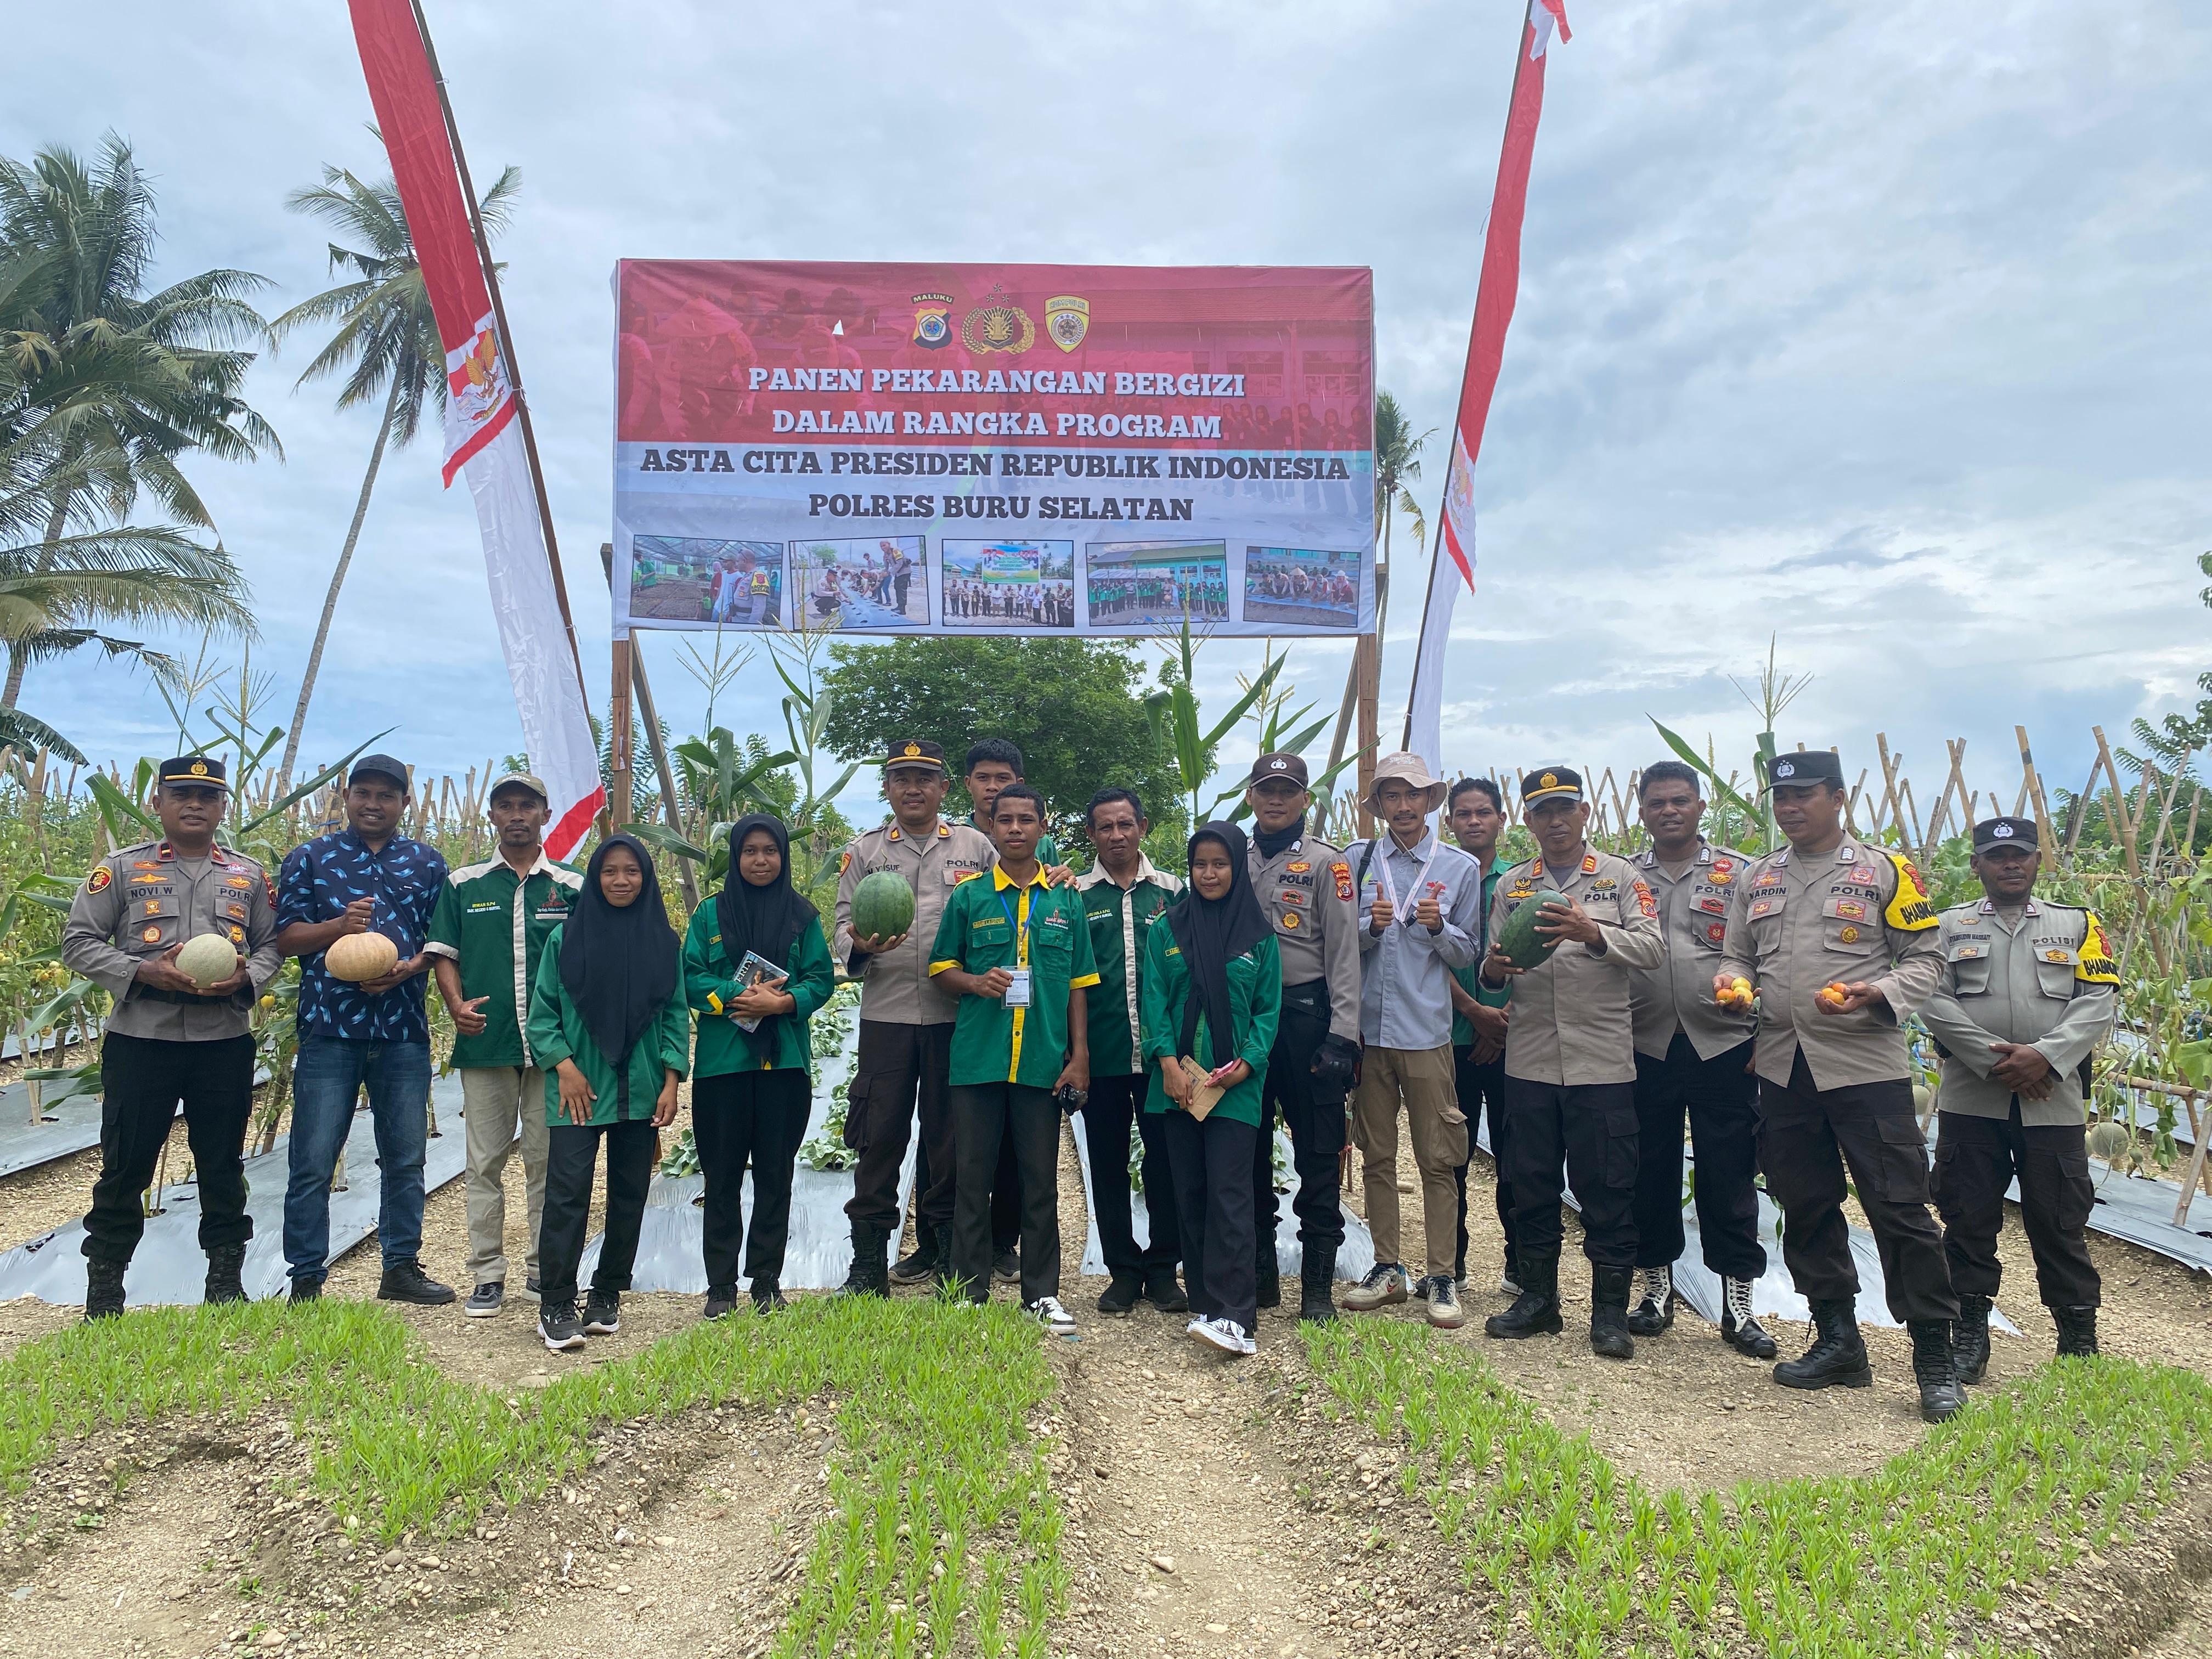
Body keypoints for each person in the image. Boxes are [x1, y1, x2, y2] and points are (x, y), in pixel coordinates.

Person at [1716, 749, 1963, 1421]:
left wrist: (1872, 992)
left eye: (1804, 795)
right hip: (1783, 1066)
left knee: (1900, 1211)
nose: (1790, 807)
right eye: (1781, 797)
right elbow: (1738, 953)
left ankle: (1934, 1361)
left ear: (1838, 797)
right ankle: (1838, 1341)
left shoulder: (1885, 871)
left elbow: (1928, 960)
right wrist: (1730, 982)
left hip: (1864, 1070)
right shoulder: (1759, 877)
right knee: (1806, 1202)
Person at [63, 757, 281, 1317]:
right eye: (181, 794)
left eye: (207, 797)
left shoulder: (248, 875)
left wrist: (245, 978)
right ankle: (105, 1290)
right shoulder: (123, 870)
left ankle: (225, 1283)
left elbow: (272, 946)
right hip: (142, 1039)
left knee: (222, 1162)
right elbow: (79, 943)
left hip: (223, 1042)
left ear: (223, 808)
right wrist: (143, 971)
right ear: (157, 803)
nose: (194, 805)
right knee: (126, 1164)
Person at [1920, 817, 2117, 1374]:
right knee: (1968, 1221)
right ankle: (1970, 1338)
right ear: (1977, 864)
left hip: (2051, 1098)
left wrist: (2046, 1057)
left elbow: (2097, 1000)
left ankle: (2078, 1343)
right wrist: (1998, 1060)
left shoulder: (2078, 925)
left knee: (2059, 1221)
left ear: (2037, 862)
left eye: (2021, 855)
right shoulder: (1946, 927)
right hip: (1972, 1099)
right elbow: (1933, 999)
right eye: (1998, 855)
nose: (2011, 864)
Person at [1479, 767, 1663, 1359]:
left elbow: (1654, 951)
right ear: (1528, 822)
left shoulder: (1620, 878)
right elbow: (1490, 965)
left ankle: (1609, 1313)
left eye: (1564, 808)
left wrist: (1592, 932)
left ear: (1584, 813)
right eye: (1542, 812)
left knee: (1608, 1185)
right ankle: (1539, 1300)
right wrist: (1494, 972)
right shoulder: (1512, 885)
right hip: (1530, 1059)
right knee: (1529, 1182)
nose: (1554, 821)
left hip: (1602, 1061)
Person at [276, 754, 454, 1306]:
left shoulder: (427, 864)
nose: (373, 804)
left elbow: (442, 941)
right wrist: (338, 929)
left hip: (401, 1028)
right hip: (329, 1029)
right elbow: (285, 939)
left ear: (405, 803)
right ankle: (305, 1277)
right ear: (345, 797)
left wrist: (410, 967)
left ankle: (400, 1268)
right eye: (364, 793)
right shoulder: (309, 859)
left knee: (405, 1156)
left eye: (386, 795)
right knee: (313, 1157)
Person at [926, 783, 1097, 1332]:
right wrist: (974, 982)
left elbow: (1078, 983)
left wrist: (1080, 1056)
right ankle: (969, 1290)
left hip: (1042, 1063)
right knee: (972, 1178)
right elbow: (941, 968)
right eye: (1007, 820)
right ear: (991, 829)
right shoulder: (971, 896)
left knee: (1037, 1181)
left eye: (1028, 819)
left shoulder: (1065, 900)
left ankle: (1041, 1295)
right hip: (979, 1059)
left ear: (1044, 828)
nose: (1017, 829)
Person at [830, 741, 995, 1295]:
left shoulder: (978, 847)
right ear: (888, 788)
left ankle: (949, 1252)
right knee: (878, 1137)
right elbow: (841, 927)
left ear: (944, 787)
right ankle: (868, 1261)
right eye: (902, 778)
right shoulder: (866, 852)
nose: (913, 787)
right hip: (888, 1015)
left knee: (951, 1139)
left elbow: (1002, 913)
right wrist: (860, 946)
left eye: (925, 778)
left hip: (958, 1018)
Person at [1623, 761, 1775, 1358]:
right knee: (1648, 1169)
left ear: (1700, 805)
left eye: (1680, 801)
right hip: (1646, 1042)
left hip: (1726, 1044)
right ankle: (1655, 1291)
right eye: (1658, 802)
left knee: (1730, 1172)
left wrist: (1768, 1034)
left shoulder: (1740, 874)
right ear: (1642, 811)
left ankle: (1738, 1306)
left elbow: (1771, 954)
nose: (1669, 811)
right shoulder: (1625, 876)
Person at [425, 771, 584, 1318]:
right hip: (485, 1043)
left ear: (545, 814)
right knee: (483, 1164)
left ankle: (545, 1271)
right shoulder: (464, 883)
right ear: (492, 816)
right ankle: (487, 1276)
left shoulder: (571, 886)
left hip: (553, 1051)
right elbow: (444, 952)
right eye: (506, 806)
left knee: (546, 1163)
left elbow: (590, 962)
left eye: (527, 806)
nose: (517, 815)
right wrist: (454, 1004)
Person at [526, 835, 689, 1351]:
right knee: (568, 1193)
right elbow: (543, 1017)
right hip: (578, 1090)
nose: (621, 880)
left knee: (629, 1195)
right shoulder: (566, 940)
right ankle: (555, 1301)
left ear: (646, 879)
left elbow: (672, 1016)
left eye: (632, 871)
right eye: (610, 871)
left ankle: (608, 1292)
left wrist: (671, 1080)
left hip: (640, 1090)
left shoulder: (664, 943)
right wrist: (565, 1069)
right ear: (595, 879)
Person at [1342, 753, 1483, 1328]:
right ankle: (1387, 1268)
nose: (1403, 806)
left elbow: (1469, 951)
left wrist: (1437, 928)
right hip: (1369, 1034)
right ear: (1379, 807)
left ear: (1430, 801)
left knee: (1439, 1157)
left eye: (1413, 795)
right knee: (1377, 1153)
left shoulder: (1459, 868)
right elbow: (1340, 944)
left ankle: (1443, 1275)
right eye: (1391, 797)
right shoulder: (1358, 860)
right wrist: (1370, 928)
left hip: (1427, 1033)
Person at [685, 814, 836, 1316]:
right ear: (735, 857)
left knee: (776, 1174)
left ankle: (767, 1280)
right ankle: (720, 1286)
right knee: (721, 1176)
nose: (760, 860)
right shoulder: (709, 914)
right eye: (750, 851)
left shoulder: (802, 916)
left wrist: (783, 1004)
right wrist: (736, 996)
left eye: (770, 851)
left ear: (783, 857)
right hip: (721, 1067)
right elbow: (689, 978)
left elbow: (820, 978)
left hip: (783, 1065)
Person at [1144, 823, 1282, 1356]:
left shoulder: (1259, 936)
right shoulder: (1167, 930)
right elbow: (1153, 999)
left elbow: (1269, 1011)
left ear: (1236, 868)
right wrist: (1168, 1065)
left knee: (1230, 1196)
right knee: (1191, 1193)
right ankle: (1205, 1305)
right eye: (1199, 864)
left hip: (1235, 1090)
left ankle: (1237, 1319)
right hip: (1177, 1086)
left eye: (1219, 864)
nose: (1209, 873)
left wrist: (1248, 1063)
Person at [1242, 752, 1362, 1321]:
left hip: (1307, 1020)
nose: (1276, 799)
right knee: (1247, 1148)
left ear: (1304, 800)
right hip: (1244, 1025)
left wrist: (1344, 1037)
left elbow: (1345, 955)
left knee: (1317, 1152)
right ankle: (1261, 1277)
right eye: (1266, 789)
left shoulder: (1326, 865)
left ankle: (1316, 1290)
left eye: (1287, 791)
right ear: (1250, 796)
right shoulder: (1230, 857)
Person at [1073, 787, 1186, 1314]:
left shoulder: (1174, 892)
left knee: (1167, 1162)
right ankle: (1122, 1270)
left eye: (1125, 825)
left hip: (1165, 1059)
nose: (1116, 836)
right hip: (1104, 1057)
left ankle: (1165, 1269)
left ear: (1143, 826)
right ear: (1092, 835)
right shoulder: (1077, 895)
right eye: (1105, 828)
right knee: (1107, 1164)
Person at [1442, 777, 1514, 1293]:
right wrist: (1473, 1010)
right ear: (1449, 822)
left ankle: (1521, 1264)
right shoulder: (1438, 880)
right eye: (1463, 814)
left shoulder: (1523, 882)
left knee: (1518, 1154)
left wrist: (1501, 1018)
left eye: (1483, 813)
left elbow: (1540, 956)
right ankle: (1454, 1260)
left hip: (1514, 1038)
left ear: (1501, 821)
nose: (1473, 821)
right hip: (1452, 1036)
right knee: (1453, 1155)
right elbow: (1425, 954)